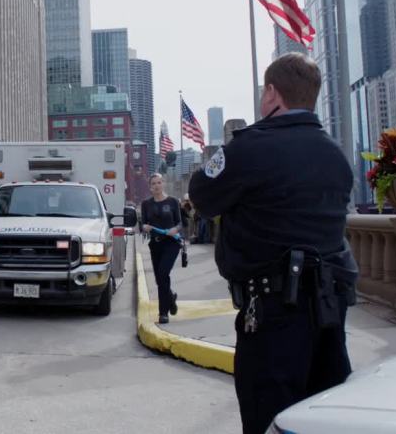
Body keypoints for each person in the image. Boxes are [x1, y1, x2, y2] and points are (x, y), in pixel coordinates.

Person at [188, 53, 358, 434]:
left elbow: (201, 195)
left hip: (273, 315)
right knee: (322, 421)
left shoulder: (250, 148)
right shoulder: (336, 156)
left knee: (269, 419)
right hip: (330, 314)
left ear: (271, 93)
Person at [140, 173, 183, 324]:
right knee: (160, 279)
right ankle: (170, 298)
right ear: (150, 187)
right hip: (155, 244)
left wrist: (175, 229)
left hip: (171, 243)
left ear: (163, 184)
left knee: (163, 273)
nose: (157, 186)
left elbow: (180, 223)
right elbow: (143, 224)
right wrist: (144, 227)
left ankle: (163, 313)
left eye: (159, 182)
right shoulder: (146, 204)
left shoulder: (173, 201)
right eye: (154, 183)